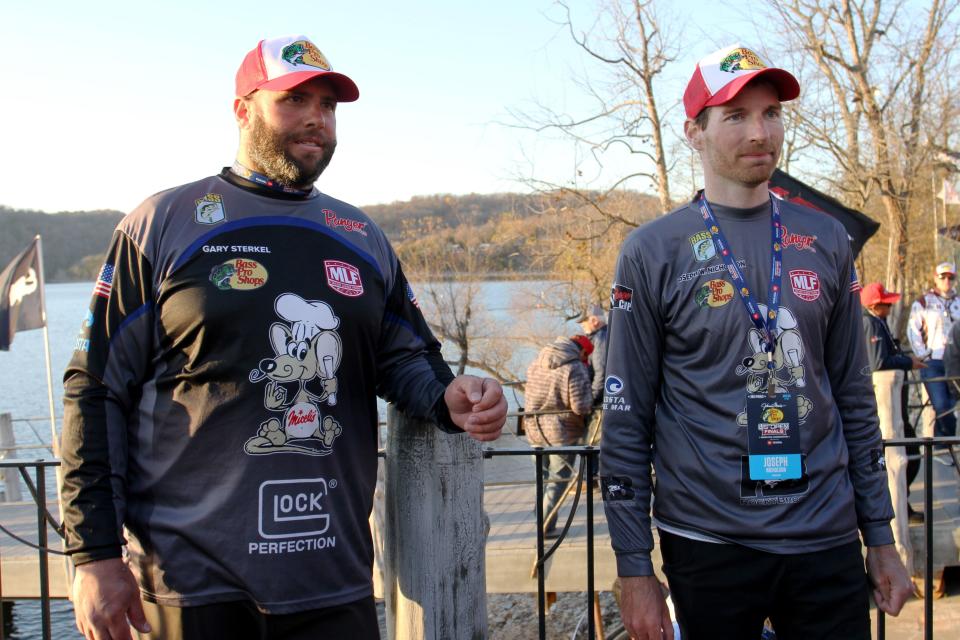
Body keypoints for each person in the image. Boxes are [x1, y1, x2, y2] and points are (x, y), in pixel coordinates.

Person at [60, 35, 507, 640]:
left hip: (331, 577)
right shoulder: (162, 223)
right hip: (191, 585)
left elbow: (405, 355)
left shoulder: (360, 235)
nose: (316, 120)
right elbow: (95, 390)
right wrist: (94, 555)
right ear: (242, 109)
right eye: (295, 101)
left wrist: (450, 397)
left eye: (328, 105)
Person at [599, 43, 912, 640]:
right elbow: (626, 415)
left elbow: (853, 397)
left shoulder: (826, 239)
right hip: (709, 539)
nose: (759, 131)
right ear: (695, 132)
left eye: (771, 113)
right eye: (736, 116)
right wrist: (635, 569)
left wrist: (881, 536)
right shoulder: (653, 250)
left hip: (826, 534)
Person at [862, 282, 926, 577]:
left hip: (894, 404)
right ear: (877, 304)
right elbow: (877, 362)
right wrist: (907, 361)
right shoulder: (868, 324)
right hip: (884, 398)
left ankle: (903, 513)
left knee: (907, 453)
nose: (889, 307)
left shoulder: (875, 322)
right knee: (897, 458)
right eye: (885, 303)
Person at [524, 335, 593, 536]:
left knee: (542, 477)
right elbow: (581, 407)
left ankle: (544, 520)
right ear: (582, 351)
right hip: (561, 431)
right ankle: (543, 526)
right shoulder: (575, 368)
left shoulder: (536, 362)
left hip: (533, 428)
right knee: (559, 479)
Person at [908, 261, 960, 445]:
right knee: (941, 404)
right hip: (933, 362)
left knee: (951, 405)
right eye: (943, 277)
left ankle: (941, 447)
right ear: (935, 279)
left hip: (955, 362)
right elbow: (913, 330)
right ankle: (945, 445)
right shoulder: (924, 302)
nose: (947, 281)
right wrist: (923, 355)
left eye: (951, 277)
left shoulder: (958, 302)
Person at [577, 303, 609, 408]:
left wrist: (591, 399)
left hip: (603, 400)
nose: (583, 328)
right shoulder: (605, 335)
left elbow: (602, 372)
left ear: (594, 321)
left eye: (584, 324)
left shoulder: (600, 339)